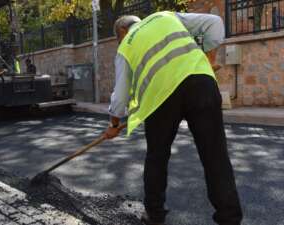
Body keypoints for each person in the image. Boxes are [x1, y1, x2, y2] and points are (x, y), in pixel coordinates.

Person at [103, 12, 243, 225]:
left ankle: (155, 214)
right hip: (200, 82)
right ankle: (229, 219)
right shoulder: (165, 16)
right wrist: (209, 59)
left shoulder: (126, 46)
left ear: (121, 33)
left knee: (157, 157)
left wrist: (113, 124)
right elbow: (215, 23)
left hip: (161, 98)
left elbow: (120, 97)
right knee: (216, 156)